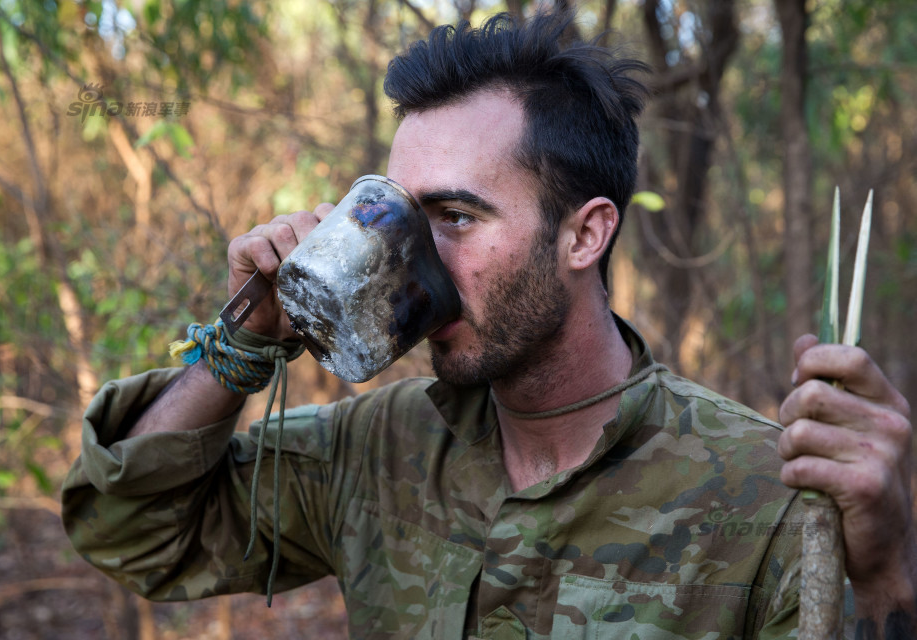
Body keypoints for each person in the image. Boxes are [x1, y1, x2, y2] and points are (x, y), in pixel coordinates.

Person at [62, 11, 914, 639]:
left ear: (586, 233)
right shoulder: (378, 450)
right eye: (398, 218)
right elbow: (133, 533)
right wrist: (248, 335)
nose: (410, 262)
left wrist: (881, 568)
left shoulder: (757, 492)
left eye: (457, 218)